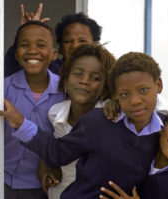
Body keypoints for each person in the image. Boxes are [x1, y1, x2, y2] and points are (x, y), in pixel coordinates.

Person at [0, 52, 166, 199]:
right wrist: (20, 122)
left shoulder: (165, 132)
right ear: (115, 94)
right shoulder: (98, 121)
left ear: (158, 85)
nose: (135, 101)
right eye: (125, 94)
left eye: (143, 90)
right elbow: (56, 153)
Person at [1, 20, 65, 199]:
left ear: (53, 54)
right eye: (24, 45)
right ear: (16, 54)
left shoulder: (66, 92)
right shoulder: (1, 89)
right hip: (0, 179)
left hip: (42, 185)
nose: (32, 50)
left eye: (41, 45)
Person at [43, 43, 115, 199]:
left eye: (95, 78)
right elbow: (51, 150)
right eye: (77, 74)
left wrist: (116, 98)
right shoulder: (55, 113)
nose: (85, 81)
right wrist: (48, 166)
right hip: (59, 193)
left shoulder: (110, 116)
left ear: (105, 87)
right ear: (66, 78)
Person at [5, 3, 102, 77]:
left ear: (95, 44)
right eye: (68, 41)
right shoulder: (50, 68)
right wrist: (27, 32)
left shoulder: (104, 71)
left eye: (82, 41)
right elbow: (12, 68)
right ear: (59, 49)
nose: (75, 46)